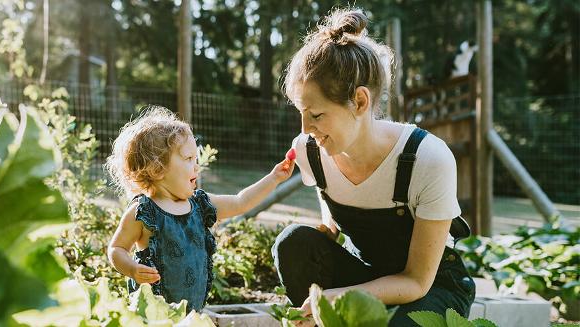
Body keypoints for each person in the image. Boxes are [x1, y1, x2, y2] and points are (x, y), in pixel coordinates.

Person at [271, 8, 476, 326]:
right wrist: (330, 227)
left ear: (360, 102)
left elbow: (416, 282)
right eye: (301, 112)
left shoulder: (427, 158)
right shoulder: (310, 150)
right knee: (294, 242)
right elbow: (332, 200)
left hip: (427, 288)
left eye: (317, 114)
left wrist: (339, 297)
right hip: (364, 273)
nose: (305, 128)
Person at [106, 106, 295, 312]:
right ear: (157, 168)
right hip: (153, 314)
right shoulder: (142, 212)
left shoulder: (200, 204)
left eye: (196, 159)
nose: (196, 166)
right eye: (188, 159)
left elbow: (241, 202)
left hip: (193, 313)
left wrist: (274, 178)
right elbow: (117, 249)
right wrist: (132, 269)